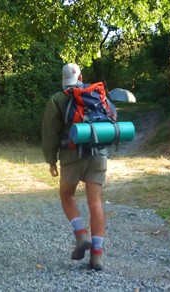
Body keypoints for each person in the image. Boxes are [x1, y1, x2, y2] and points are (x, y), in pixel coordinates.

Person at [41, 63, 107, 271]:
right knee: (95, 201)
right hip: (99, 153)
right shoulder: (96, 94)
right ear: (81, 76)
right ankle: (97, 255)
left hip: (71, 155)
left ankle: (81, 235)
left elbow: (50, 132)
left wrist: (51, 160)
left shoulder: (57, 99)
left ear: (63, 79)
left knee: (66, 195)